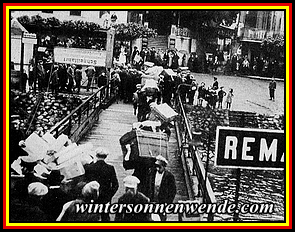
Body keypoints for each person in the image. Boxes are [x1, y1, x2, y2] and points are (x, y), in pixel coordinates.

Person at [83, 147, 119, 221]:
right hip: (105, 198)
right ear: (106, 156)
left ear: (96, 155)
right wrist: (109, 195)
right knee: (105, 218)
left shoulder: (89, 167)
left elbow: (85, 182)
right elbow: (115, 185)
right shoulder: (110, 168)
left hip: (92, 197)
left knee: (91, 217)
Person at [147, 155, 176, 221]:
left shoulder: (169, 176)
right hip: (152, 201)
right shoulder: (152, 173)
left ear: (164, 166)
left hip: (162, 203)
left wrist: (168, 203)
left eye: (159, 167)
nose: (157, 169)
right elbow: (148, 185)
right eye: (157, 167)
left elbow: (172, 191)